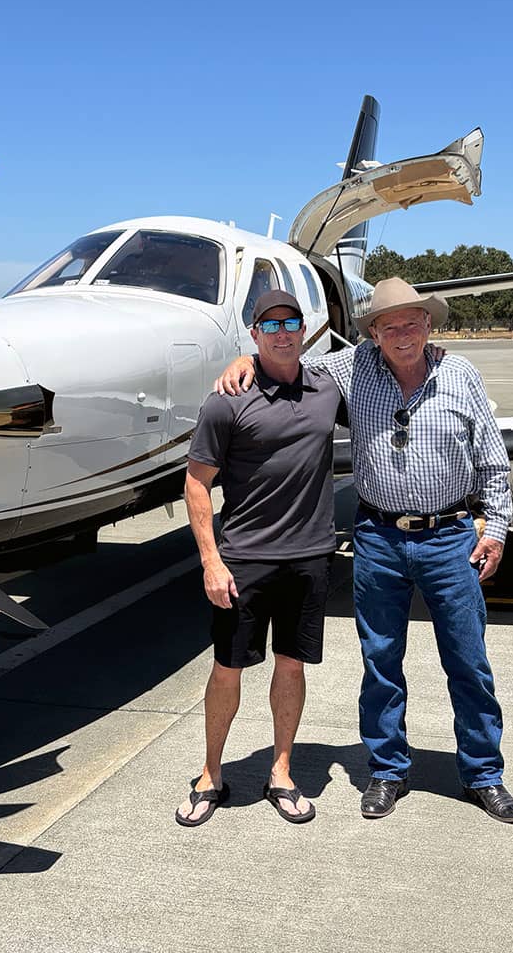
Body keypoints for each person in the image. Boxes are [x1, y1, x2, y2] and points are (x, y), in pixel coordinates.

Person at [216, 278, 513, 824]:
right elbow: (288, 362)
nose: (402, 335)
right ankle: (386, 769)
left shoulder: (462, 375)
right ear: (374, 333)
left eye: (413, 323)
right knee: (380, 661)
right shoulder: (351, 368)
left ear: (430, 325)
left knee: (469, 662)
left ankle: (483, 774)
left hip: (450, 537)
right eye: (389, 326)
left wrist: (495, 529)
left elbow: (495, 461)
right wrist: (245, 358)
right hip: (378, 538)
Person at [176, 289, 342, 826]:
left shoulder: (326, 387)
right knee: (228, 669)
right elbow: (196, 485)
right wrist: (210, 561)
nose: (282, 332)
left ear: (304, 328)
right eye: (269, 326)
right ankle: (210, 774)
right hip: (245, 559)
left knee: (291, 666)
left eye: (291, 322)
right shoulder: (227, 399)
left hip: (311, 556)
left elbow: (377, 362)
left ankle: (282, 772)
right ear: (253, 335)